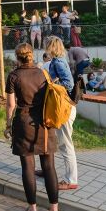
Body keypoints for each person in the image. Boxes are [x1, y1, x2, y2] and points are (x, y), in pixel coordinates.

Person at [5, 42, 59, 211]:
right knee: (49, 166)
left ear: (17, 56)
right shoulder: (44, 73)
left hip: (24, 123)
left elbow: (11, 105)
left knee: (28, 166)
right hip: (44, 123)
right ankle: (53, 209)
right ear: (31, 55)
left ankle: (33, 208)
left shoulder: (13, 76)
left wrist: (7, 124)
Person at [42, 36, 78, 190]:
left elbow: (68, 84)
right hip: (64, 107)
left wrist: (52, 85)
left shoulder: (58, 62)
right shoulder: (60, 60)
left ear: (50, 47)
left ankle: (71, 180)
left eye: (45, 46)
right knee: (58, 142)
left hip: (64, 108)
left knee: (65, 144)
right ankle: (48, 171)